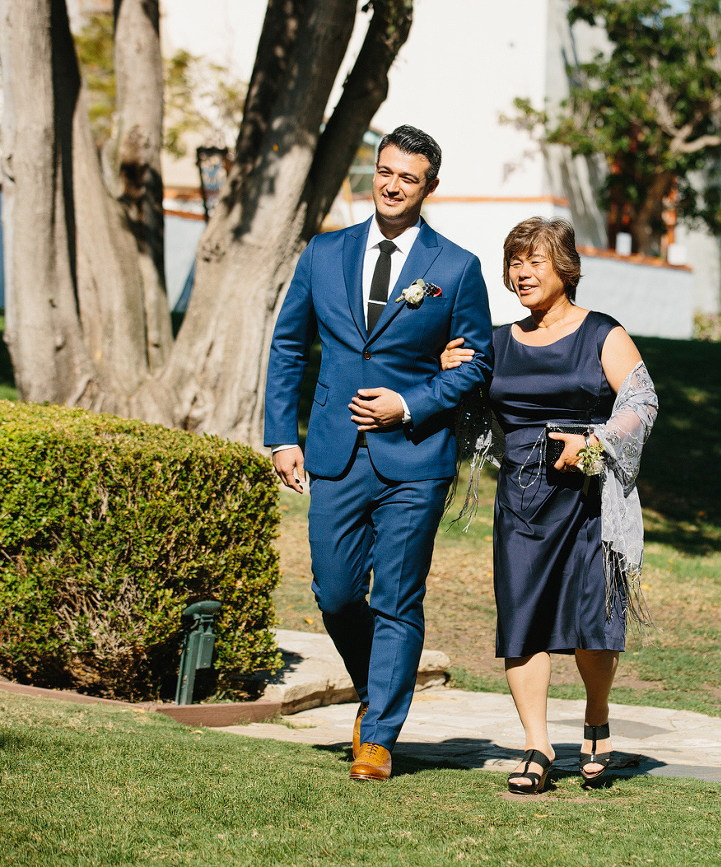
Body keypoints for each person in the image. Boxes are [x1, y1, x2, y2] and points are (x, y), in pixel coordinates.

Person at [265, 125, 493, 782]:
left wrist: (410, 402)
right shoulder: (324, 252)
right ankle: (379, 685)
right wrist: (282, 434)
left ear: (430, 187)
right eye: (385, 172)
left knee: (396, 597)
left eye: (409, 177)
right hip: (334, 452)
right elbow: (288, 347)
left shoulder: (454, 268)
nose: (393, 185)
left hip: (416, 458)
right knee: (334, 593)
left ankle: (379, 733)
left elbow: (473, 364)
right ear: (375, 173)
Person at [441, 217, 658, 794]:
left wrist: (596, 442)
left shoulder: (601, 334)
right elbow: (460, 405)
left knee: (592, 623)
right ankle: (536, 745)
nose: (523, 271)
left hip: (589, 500)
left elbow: (642, 400)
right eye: (515, 261)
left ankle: (595, 715)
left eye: (535, 260)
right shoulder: (496, 342)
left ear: (566, 268)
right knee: (523, 620)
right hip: (521, 502)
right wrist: (450, 374)